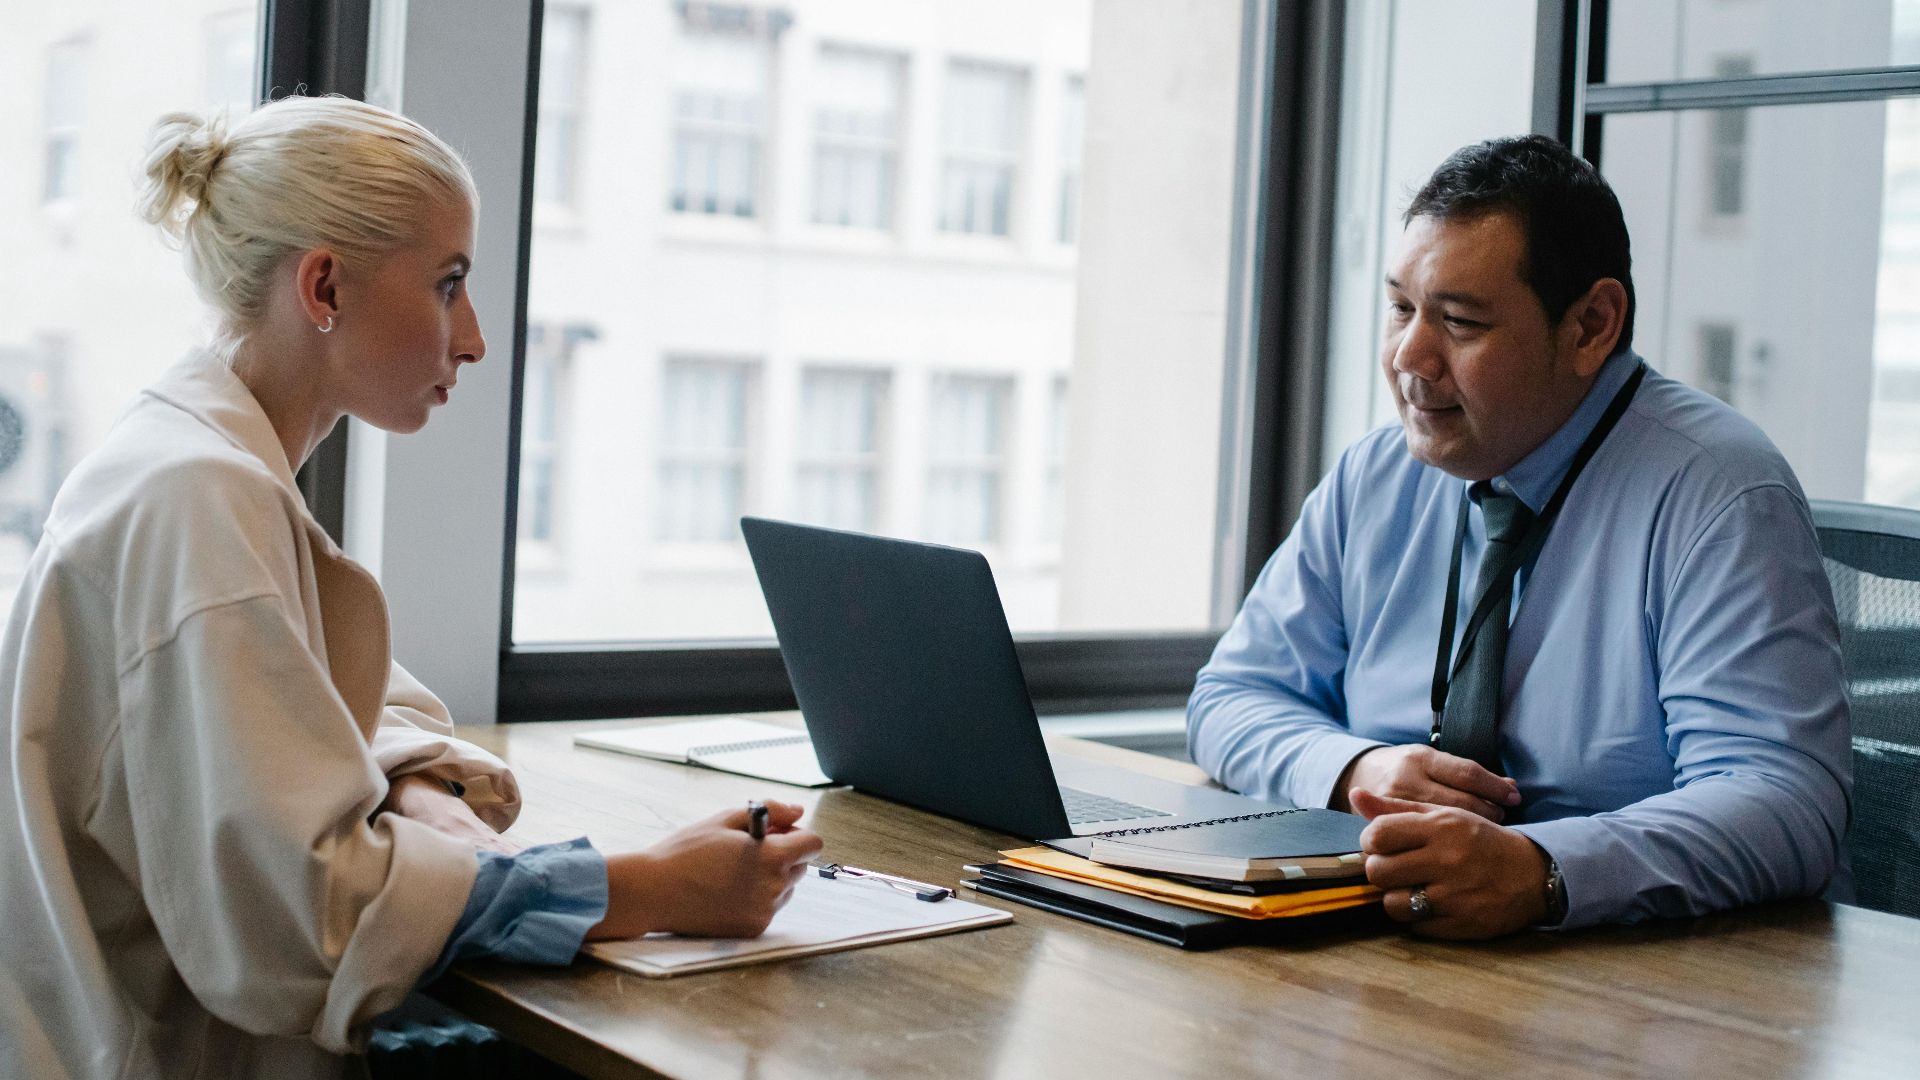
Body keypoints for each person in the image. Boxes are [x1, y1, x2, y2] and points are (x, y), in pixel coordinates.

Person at [0, 95, 823, 1079]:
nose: (472, 339)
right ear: (324, 287)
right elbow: (310, 921)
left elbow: (307, 709)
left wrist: (418, 788)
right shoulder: (201, 499)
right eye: (448, 284)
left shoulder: (186, 457)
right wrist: (648, 887)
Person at [1187, 135, 1850, 939]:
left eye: (1460, 322)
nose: (1408, 358)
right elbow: (1230, 698)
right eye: (1400, 309)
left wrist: (1544, 870)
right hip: (1386, 941)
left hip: (1629, 974)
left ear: (1591, 326)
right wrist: (1355, 767)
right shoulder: (1377, 475)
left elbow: (1785, 802)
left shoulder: (1719, 491)